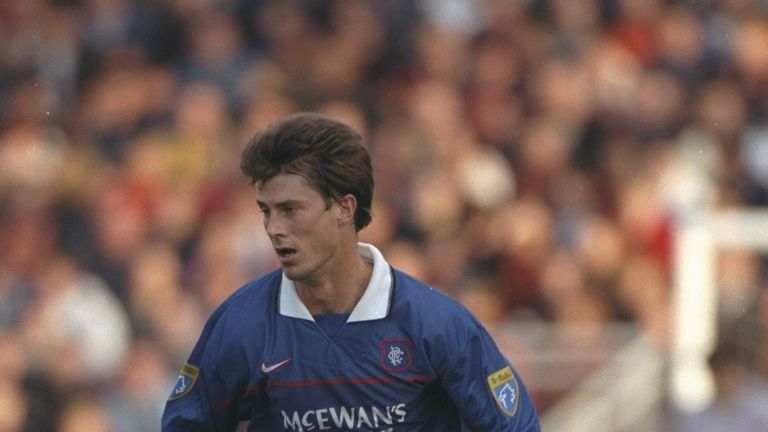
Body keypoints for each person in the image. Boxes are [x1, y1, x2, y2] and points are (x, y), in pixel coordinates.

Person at [161, 112, 541, 431]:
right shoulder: (241, 325)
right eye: (266, 211)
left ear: (344, 208)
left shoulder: (436, 324)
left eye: (290, 209)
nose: (273, 228)